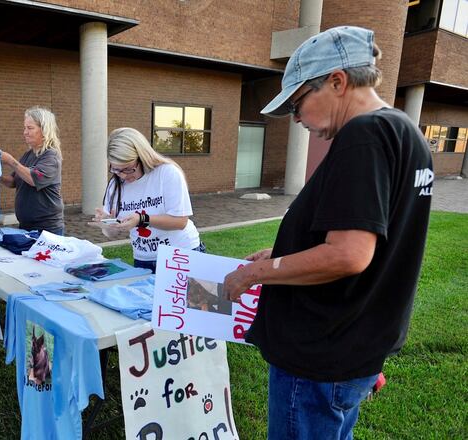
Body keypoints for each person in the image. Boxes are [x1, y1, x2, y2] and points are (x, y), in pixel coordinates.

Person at [223, 26, 433, 439]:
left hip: (320, 354)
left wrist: (254, 274)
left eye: (298, 103)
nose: (297, 119)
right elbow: (369, 235)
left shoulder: (364, 135)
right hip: (354, 348)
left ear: (337, 81)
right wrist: (283, 250)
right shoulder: (405, 131)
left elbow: (350, 255)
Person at [89, 127, 204, 273]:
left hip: (180, 254)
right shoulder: (115, 185)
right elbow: (111, 235)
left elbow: (180, 222)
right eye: (116, 170)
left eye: (128, 169)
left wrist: (141, 219)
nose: (123, 176)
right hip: (143, 259)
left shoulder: (167, 173)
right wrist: (107, 224)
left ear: (142, 157)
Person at [0, 106, 64, 235]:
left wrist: (10, 160)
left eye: (30, 128)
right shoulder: (28, 155)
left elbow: (34, 179)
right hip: (26, 226)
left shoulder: (51, 156)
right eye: (25, 128)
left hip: (47, 229)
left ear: (44, 130)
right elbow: (13, 181)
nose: (25, 132)